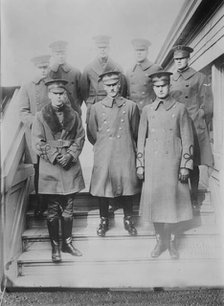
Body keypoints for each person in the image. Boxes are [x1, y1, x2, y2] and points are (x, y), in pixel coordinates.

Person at [137, 71, 194, 259]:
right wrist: (140, 164)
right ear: (153, 88)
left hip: (173, 163)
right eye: (157, 86)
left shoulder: (180, 109)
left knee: (172, 204)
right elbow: (141, 140)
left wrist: (186, 164)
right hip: (153, 164)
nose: (160, 89)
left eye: (164, 86)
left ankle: (171, 242)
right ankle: (159, 240)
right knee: (156, 205)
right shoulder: (147, 110)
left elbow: (187, 138)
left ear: (169, 86)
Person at [32, 79, 85, 263]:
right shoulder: (41, 116)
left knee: (68, 210)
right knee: (53, 211)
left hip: (70, 167)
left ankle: (67, 243)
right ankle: (55, 246)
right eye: (55, 94)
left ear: (66, 94)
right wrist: (55, 156)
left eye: (62, 93)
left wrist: (70, 155)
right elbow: (37, 142)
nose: (59, 97)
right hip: (51, 168)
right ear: (49, 94)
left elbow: (80, 138)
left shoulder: (75, 115)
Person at [87, 70, 140, 237]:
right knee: (103, 184)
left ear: (119, 85)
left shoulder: (131, 106)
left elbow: (136, 131)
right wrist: (104, 145)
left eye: (114, 85)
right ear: (104, 86)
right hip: (105, 152)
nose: (112, 88)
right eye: (108, 85)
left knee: (127, 184)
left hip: (125, 150)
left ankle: (128, 219)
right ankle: (104, 219)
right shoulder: (96, 108)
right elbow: (92, 133)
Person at [170, 45, 213, 208]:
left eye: (181, 59)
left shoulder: (200, 77)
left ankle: (194, 197)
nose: (179, 62)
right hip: (176, 124)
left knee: (193, 163)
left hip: (194, 124)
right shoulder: (171, 79)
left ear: (188, 59)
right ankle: (182, 198)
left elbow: (207, 105)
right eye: (176, 59)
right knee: (177, 161)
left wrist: (200, 119)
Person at [18, 54, 51, 216]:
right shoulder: (27, 86)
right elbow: (23, 112)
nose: (44, 70)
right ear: (35, 68)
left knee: (52, 167)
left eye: (46, 67)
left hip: (52, 135)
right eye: (41, 68)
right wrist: (36, 121)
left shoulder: (53, 84)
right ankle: (40, 203)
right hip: (36, 135)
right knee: (38, 170)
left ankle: (52, 201)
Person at [81, 35, 127, 111]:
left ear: (109, 49)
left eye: (105, 48)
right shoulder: (88, 68)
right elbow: (84, 90)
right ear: (95, 49)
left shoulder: (117, 67)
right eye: (100, 48)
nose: (102, 50)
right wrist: (90, 103)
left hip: (113, 105)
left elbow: (123, 90)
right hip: (94, 105)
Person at [126, 38, 162, 113]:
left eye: (142, 50)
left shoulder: (155, 69)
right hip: (133, 111)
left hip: (150, 111)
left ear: (147, 52)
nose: (139, 53)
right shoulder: (129, 71)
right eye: (137, 50)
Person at [48, 40, 82, 115]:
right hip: (53, 113)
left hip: (73, 111)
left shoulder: (75, 72)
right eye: (57, 54)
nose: (61, 56)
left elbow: (81, 94)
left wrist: (75, 105)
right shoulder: (48, 73)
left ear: (66, 54)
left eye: (63, 53)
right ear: (53, 55)